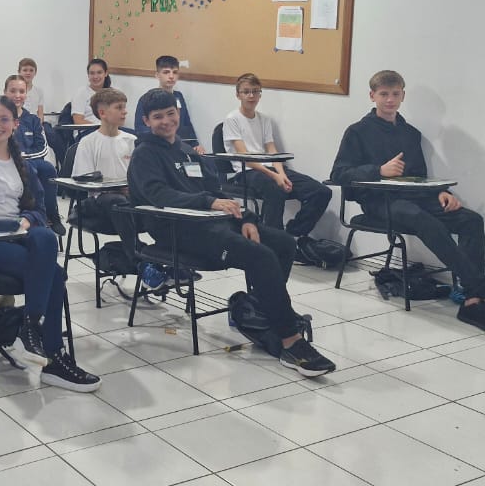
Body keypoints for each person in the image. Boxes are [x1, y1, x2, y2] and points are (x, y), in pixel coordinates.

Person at [129, 89, 337, 377]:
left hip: (212, 223)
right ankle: (291, 341)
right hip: (178, 230)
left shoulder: (187, 151)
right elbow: (158, 194)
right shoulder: (144, 155)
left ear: (178, 114)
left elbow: (215, 191)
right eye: (157, 117)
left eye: (170, 114)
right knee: (260, 256)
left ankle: (261, 312)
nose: (166, 121)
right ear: (146, 121)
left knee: (283, 243)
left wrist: (245, 219)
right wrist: (209, 202)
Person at [330, 70, 485, 334]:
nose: (390, 100)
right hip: (379, 202)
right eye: (383, 94)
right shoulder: (357, 131)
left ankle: (472, 300)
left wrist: (440, 192)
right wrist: (378, 170)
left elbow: (419, 176)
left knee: (471, 220)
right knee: (423, 219)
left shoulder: (410, 134)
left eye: (395, 94)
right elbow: (339, 173)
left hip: (414, 198)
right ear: (372, 96)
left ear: (402, 96)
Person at [0, 96, 101, 392]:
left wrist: (26, 221)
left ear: (15, 124)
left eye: (4, 119)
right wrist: (4, 226)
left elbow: (40, 210)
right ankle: (52, 356)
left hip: (19, 241)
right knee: (54, 275)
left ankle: (29, 327)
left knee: (45, 236)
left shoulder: (23, 165)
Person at [222, 73, 332, 248]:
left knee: (320, 191)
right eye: (246, 92)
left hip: (270, 168)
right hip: (247, 171)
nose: (251, 96)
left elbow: (272, 150)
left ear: (260, 94)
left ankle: (292, 234)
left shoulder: (264, 119)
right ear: (238, 95)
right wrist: (275, 177)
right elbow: (245, 157)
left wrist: (281, 174)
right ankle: (273, 242)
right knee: (275, 189)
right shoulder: (232, 119)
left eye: (255, 91)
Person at [71, 88, 139, 246]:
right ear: (102, 113)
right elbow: (84, 179)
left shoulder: (131, 140)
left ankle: (161, 253)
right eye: (119, 108)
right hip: (98, 200)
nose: (124, 112)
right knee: (115, 200)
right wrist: (116, 189)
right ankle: (135, 251)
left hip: (129, 196)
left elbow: (140, 175)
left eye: (124, 107)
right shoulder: (88, 142)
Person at [3, 74, 65, 235]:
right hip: (6, 162)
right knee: (30, 170)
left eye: (21, 91)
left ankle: (51, 214)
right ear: (5, 93)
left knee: (48, 168)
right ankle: (33, 215)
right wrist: (16, 157)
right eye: (13, 91)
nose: (17, 95)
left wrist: (23, 156)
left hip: (32, 161)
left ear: (26, 94)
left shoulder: (33, 120)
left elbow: (42, 148)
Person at [134, 55, 202, 152]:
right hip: (157, 146)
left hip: (180, 145)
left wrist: (195, 144)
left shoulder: (179, 96)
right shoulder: (147, 99)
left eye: (175, 72)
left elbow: (186, 124)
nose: (171, 76)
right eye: (166, 72)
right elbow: (140, 129)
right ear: (157, 75)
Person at [71, 59, 111, 126]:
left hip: (109, 129)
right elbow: (78, 121)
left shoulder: (111, 94)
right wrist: (101, 128)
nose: (95, 76)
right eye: (92, 73)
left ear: (106, 73)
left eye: (99, 72)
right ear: (88, 75)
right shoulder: (81, 93)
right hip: (88, 130)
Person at [18, 58, 46, 122]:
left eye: (31, 70)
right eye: (25, 70)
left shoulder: (39, 91)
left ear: (35, 72)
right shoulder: (15, 91)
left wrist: (39, 126)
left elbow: (40, 114)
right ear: (19, 72)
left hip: (34, 124)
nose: (28, 73)